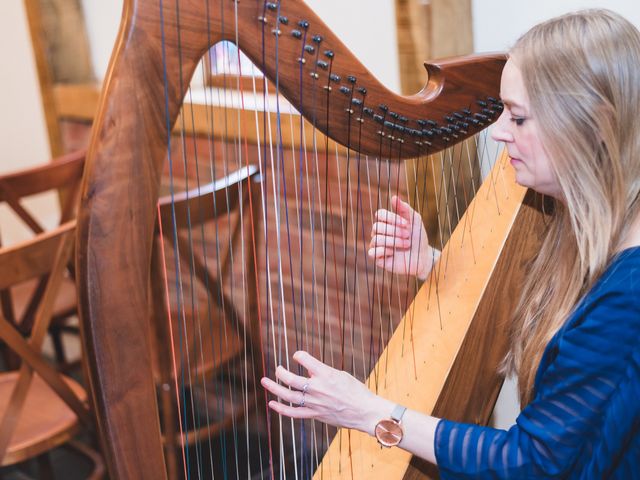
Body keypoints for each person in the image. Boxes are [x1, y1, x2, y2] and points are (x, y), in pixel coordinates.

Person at [261, 9, 640, 478]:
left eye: (518, 118)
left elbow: (530, 463)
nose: (499, 131)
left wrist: (370, 412)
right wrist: (432, 263)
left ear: (594, 127)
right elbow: (570, 325)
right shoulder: (597, 216)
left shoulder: (629, 294)